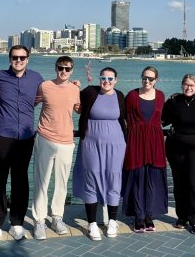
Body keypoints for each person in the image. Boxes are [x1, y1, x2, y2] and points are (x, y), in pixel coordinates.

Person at [0, 45, 44, 244]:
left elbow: (46, 95)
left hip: (26, 136)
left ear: (28, 59)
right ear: (9, 59)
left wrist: (73, 86)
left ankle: (17, 223)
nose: (18, 61)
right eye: (14, 57)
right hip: (1, 134)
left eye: (22, 57)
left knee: (20, 180)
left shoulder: (36, 78)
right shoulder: (1, 77)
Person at [73, 67, 127, 241]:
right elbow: (73, 98)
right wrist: (74, 86)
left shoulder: (119, 96)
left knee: (114, 178)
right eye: (103, 77)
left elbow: (126, 116)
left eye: (110, 78)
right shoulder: (90, 92)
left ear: (116, 80)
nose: (107, 81)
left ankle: (112, 221)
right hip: (90, 142)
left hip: (116, 144)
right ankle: (92, 224)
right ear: (99, 78)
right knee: (91, 178)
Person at [32, 56, 81, 240]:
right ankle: (39, 220)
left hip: (67, 141)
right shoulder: (44, 86)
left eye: (67, 69)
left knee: (61, 183)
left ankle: (57, 217)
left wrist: (82, 90)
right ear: (55, 69)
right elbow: (30, 104)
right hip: (45, 138)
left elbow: (80, 109)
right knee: (41, 182)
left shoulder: (75, 89)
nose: (63, 71)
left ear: (72, 71)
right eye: (60, 68)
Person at [161, 74, 195, 235]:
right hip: (175, 146)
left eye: (192, 85)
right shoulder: (173, 101)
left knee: (193, 182)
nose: (189, 87)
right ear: (181, 85)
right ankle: (182, 218)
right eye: (186, 84)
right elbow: (162, 121)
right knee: (179, 182)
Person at [122, 67, 168, 233]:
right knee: (137, 178)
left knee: (152, 180)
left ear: (156, 80)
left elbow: (167, 115)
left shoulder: (161, 96)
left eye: (150, 78)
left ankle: (149, 215)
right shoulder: (132, 95)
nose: (147, 81)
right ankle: (138, 216)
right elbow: (123, 117)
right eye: (144, 78)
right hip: (135, 141)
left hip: (155, 142)